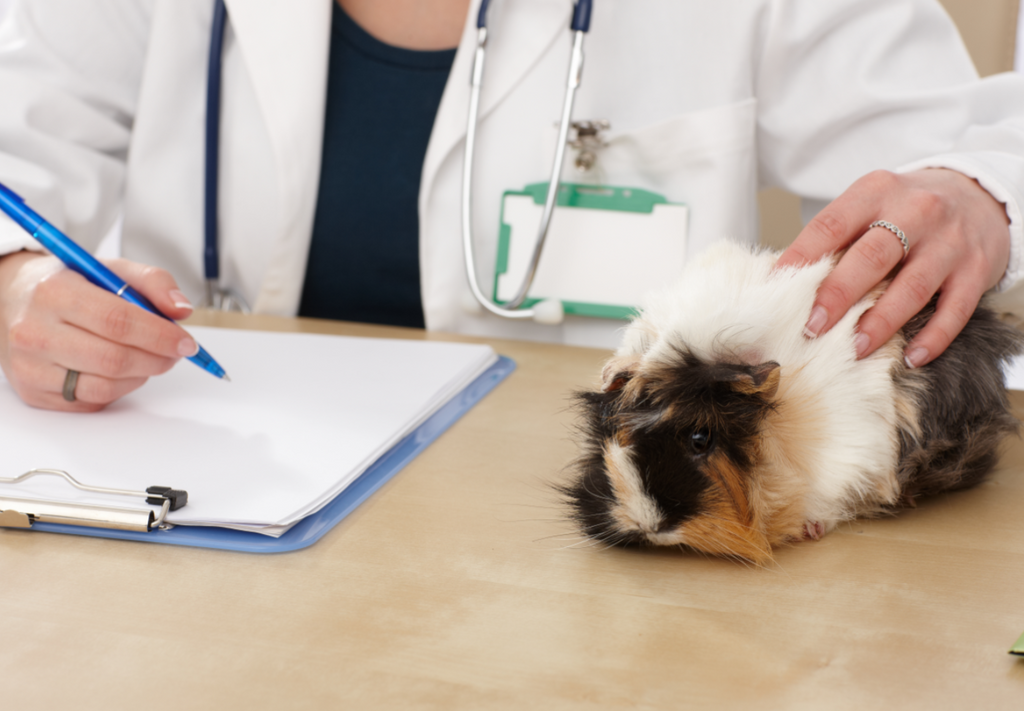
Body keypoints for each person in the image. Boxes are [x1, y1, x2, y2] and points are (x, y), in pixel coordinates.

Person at [0, 0, 1022, 412]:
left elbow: (970, 156)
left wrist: (973, 196)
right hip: (207, 505)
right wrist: (19, 282)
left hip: (610, 550)